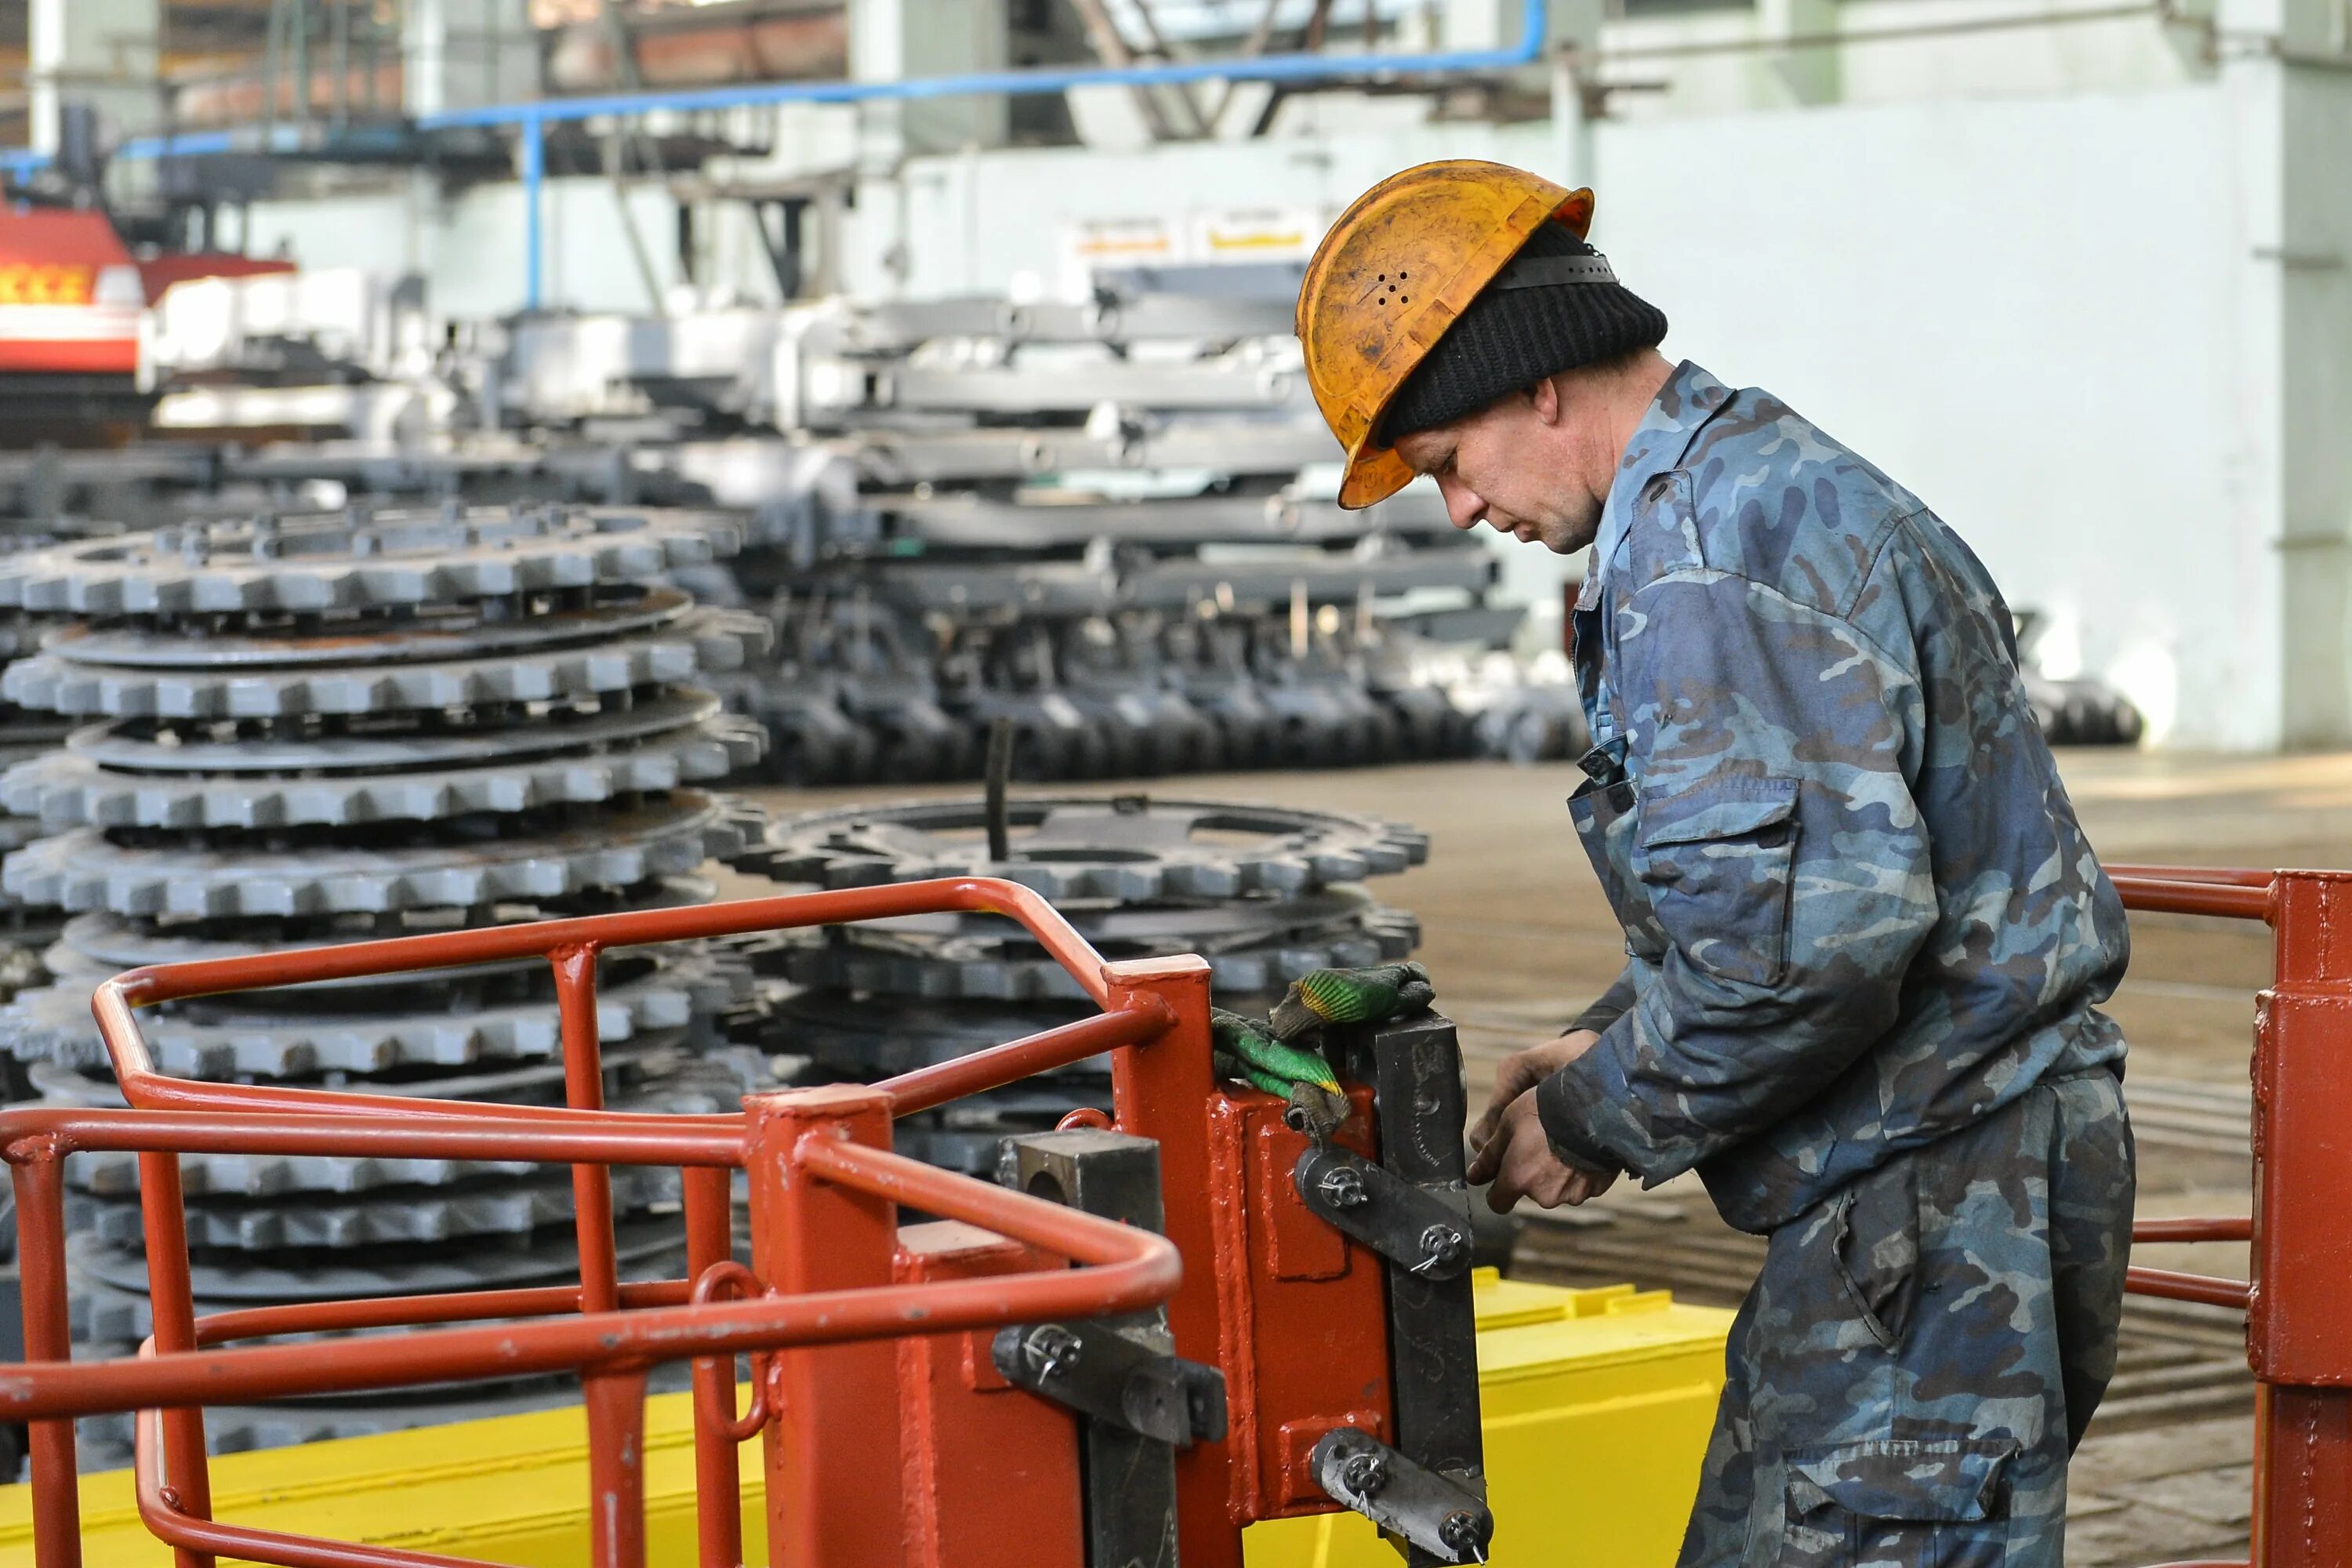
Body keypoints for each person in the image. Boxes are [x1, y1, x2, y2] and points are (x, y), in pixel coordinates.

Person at [1294, 160, 2135, 1566]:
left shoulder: (1701, 559)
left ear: (1538, 385)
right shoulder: (1762, 485)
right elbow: (1814, 887)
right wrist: (1609, 1037)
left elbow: (1801, 960)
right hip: (1947, 1189)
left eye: (1447, 463)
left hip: (1934, 1207)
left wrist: (1595, 1119)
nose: (1457, 510)